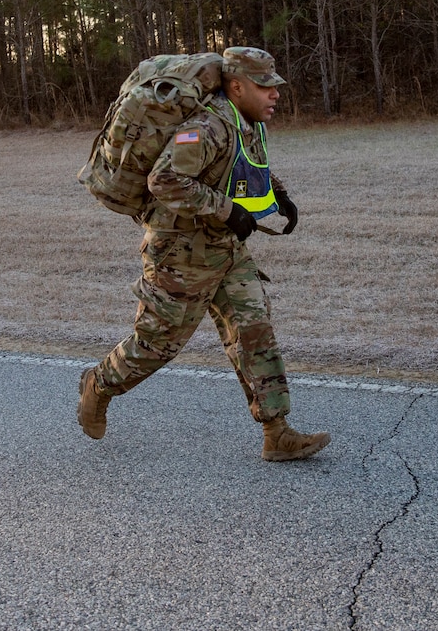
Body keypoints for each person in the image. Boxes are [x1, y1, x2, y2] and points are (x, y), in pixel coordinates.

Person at [77, 46, 331, 462]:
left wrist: (279, 195)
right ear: (236, 86)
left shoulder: (245, 120)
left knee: (254, 331)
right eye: (264, 86)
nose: (275, 94)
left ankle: (277, 432)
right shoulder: (207, 125)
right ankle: (99, 384)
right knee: (157, 344)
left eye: (275, 86)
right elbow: (165, 180)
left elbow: (246, 165)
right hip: (182, 253)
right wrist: (228, 211)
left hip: (226, 250)